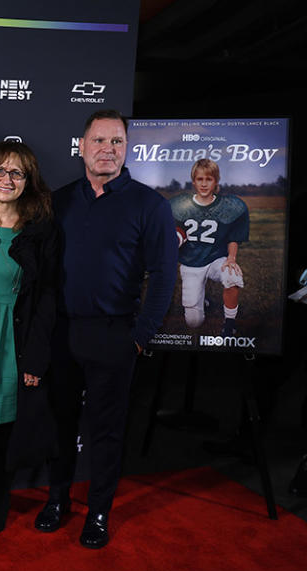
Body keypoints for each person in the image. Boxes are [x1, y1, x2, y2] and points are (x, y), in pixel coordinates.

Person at [37, 110, 177, 549]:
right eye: (99, 141)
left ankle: (98, 511)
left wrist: (140, 336)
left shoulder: (149, 205)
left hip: (116, 335)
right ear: (82, 146)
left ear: (126, 149)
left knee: (107, 430)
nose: (107, 150)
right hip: (63, 334)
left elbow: (164, 275)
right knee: (59, 425)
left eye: (116, 142)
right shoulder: (59, 201)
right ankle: (56, 499)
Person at [0, 140, 61, 537]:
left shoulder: (42, 231)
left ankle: (0, 499)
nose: (6, 179)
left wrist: (36, 359)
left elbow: (49, 297)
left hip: (12, 339)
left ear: (28, 181)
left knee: (4, 426)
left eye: (16, 173)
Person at [170, 158, 249, 336]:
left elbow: (233, 237)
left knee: (233, 276)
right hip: (190, 263)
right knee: (194, 322)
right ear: (194, 181)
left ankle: (229, 324)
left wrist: (231, 258)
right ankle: (201, 299)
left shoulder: (228, 206)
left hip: (216, 259)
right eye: (200, 179)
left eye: (209, 179)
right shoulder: (179, 206)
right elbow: (171, 234)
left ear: (216, 181)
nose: (204, 184)